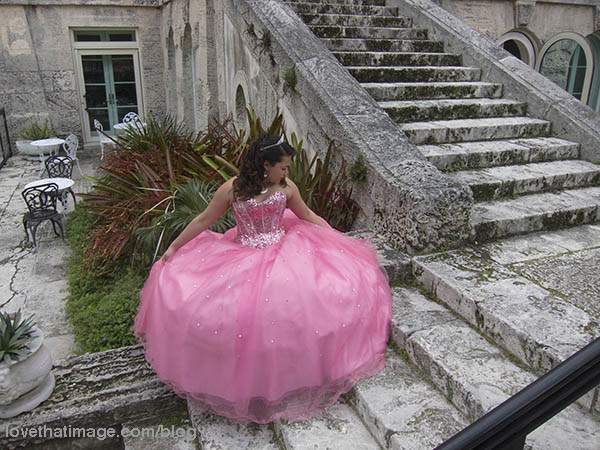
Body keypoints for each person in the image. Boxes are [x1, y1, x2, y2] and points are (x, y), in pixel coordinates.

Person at [133, 134, 392, 424]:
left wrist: (339, 239)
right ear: (265, 165)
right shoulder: (232, 189)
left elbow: (306, 215)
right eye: (282, 168)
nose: (286, 173)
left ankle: (299, 373)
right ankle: (248, 381)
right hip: (242, 256)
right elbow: (203, 220)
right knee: (230, 314)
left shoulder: (286, 188)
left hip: (286, 252)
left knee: (299, 305)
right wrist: (173, 247)